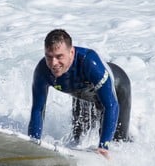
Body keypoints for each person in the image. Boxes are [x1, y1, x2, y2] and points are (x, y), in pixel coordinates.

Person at [28, 29, 131, 158]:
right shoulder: (42, 71)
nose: (53, 63)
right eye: (49, 57)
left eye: (59, 56)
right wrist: (32, 142)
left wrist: (103, 146)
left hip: (117, 90)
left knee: (117, 142)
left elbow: (111, 106)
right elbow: (38, 108)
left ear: (71, 52)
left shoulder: (89, 63)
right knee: (78, 140)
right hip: (83, 95)